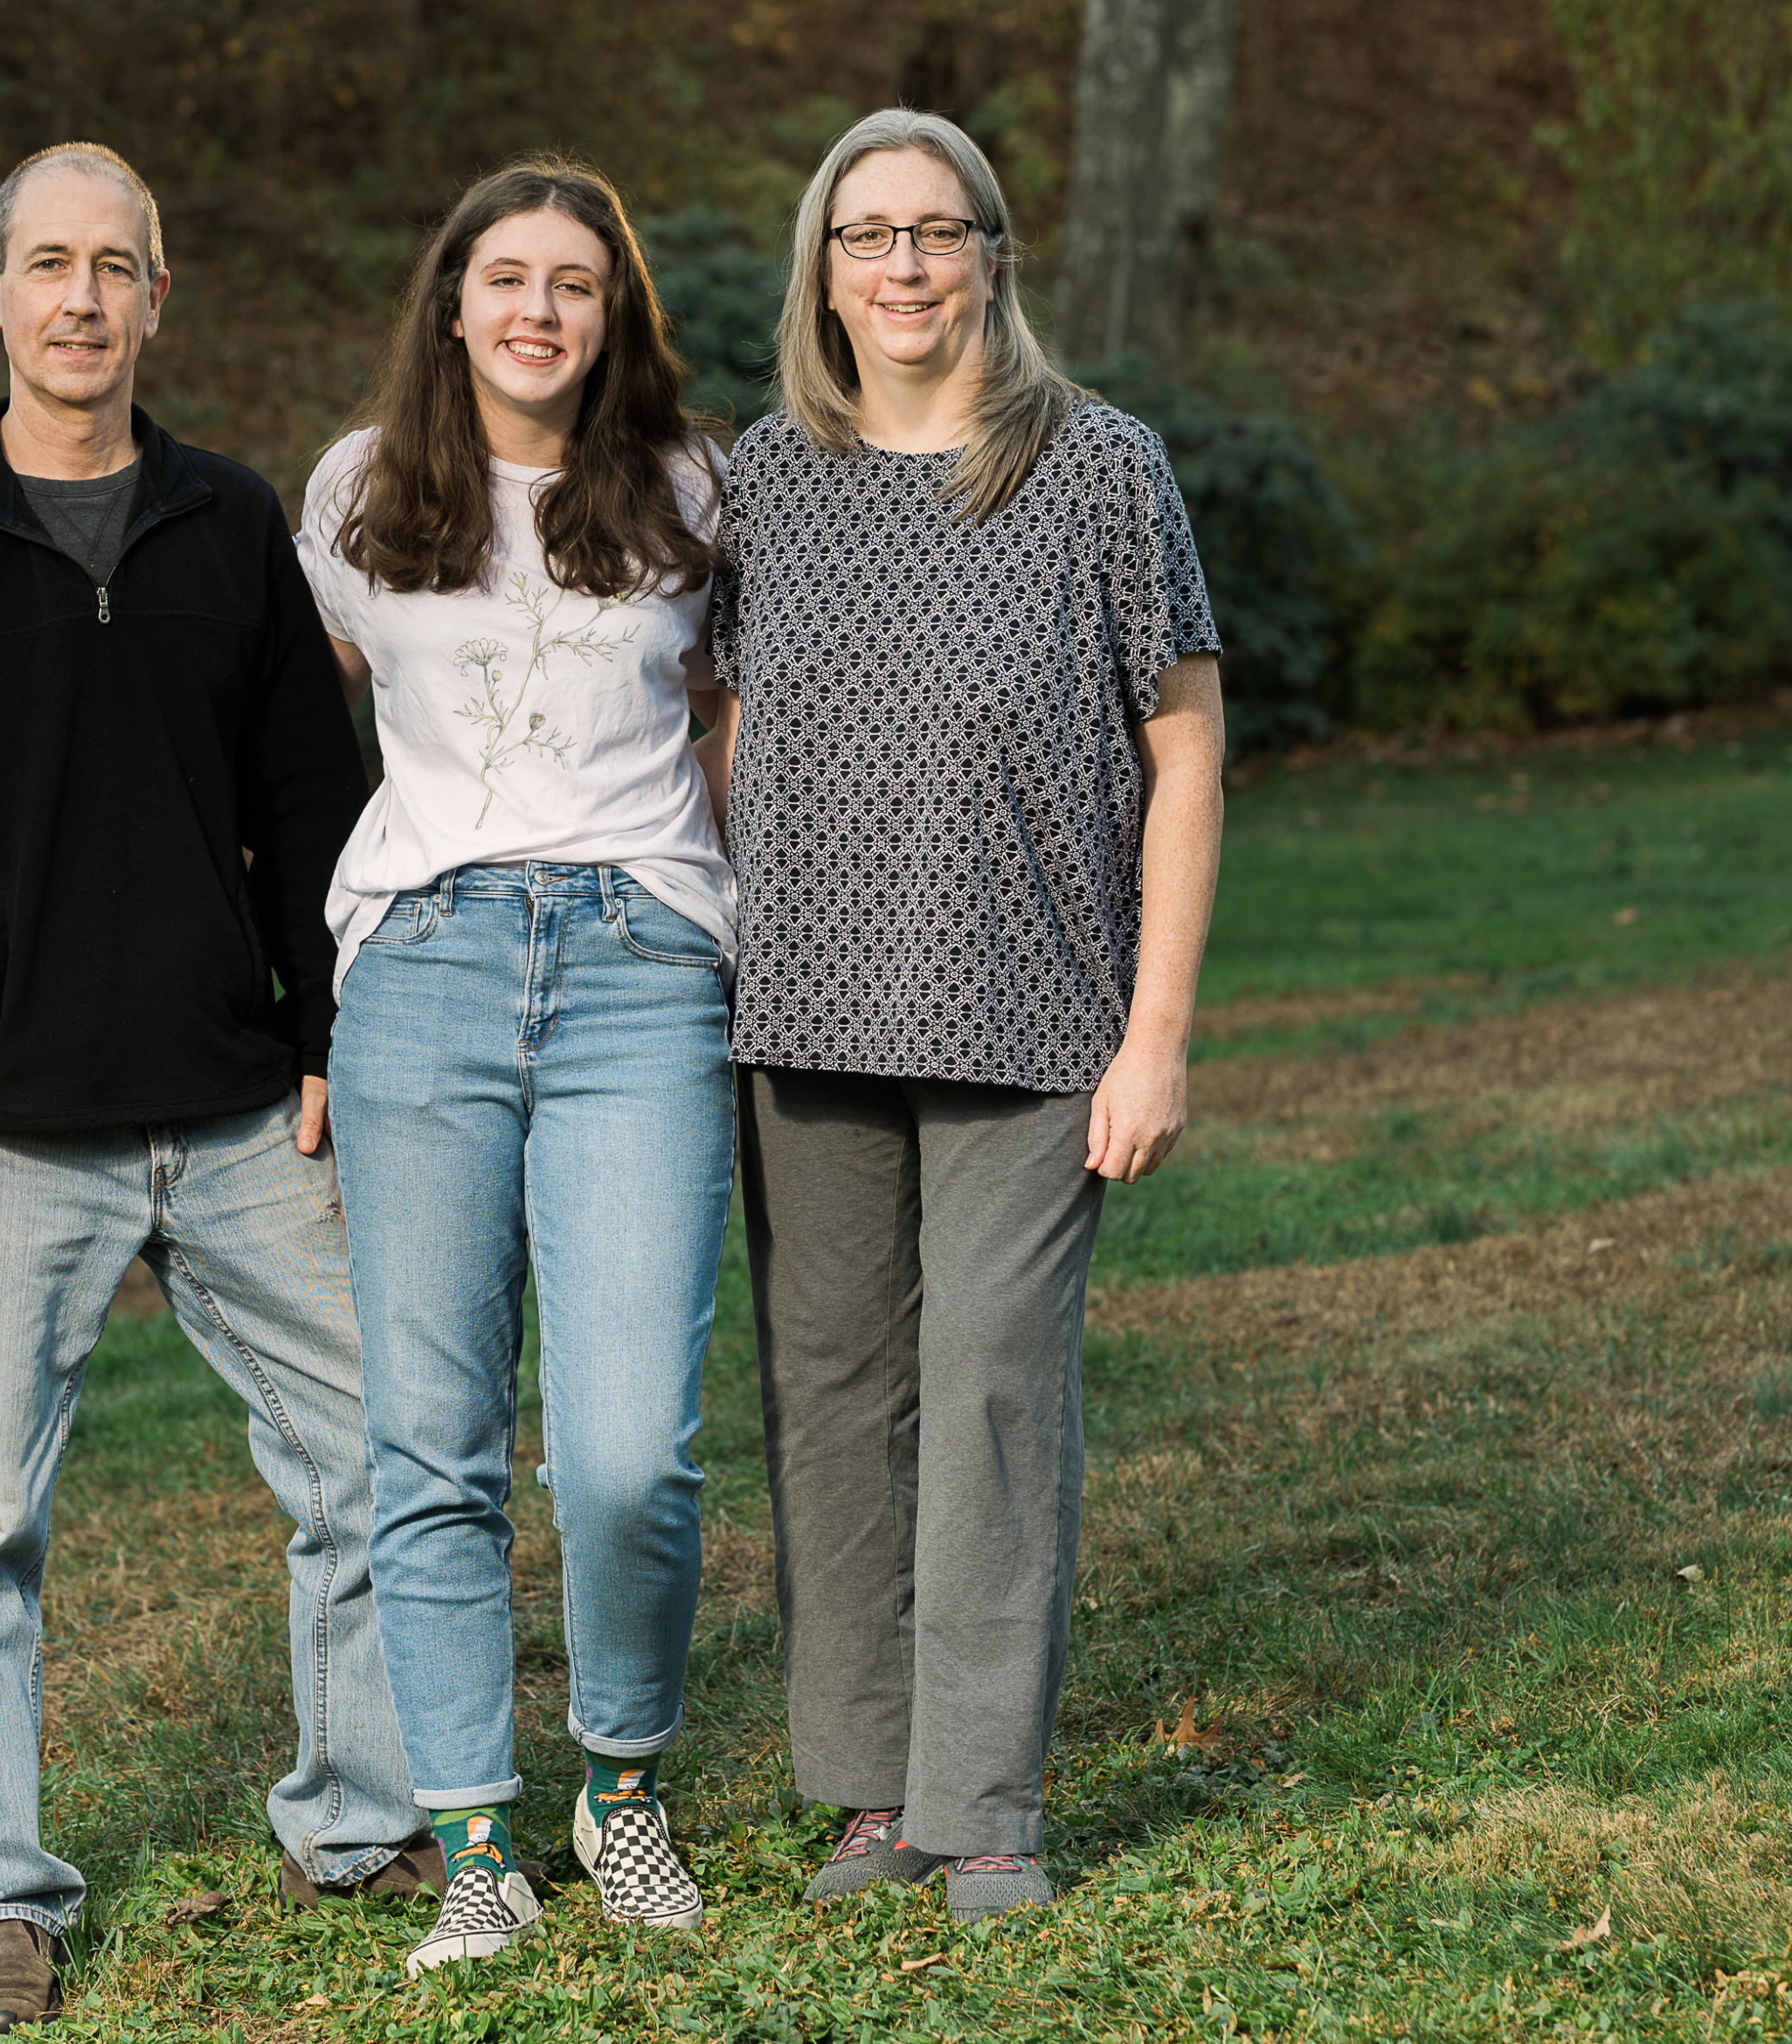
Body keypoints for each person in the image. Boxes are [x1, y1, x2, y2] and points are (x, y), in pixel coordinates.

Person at [0, 141, 432, 2039]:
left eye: (113, 268)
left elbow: (320, 815)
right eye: (44, 265)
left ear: (160, 299)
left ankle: (362, 1815)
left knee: (383, 1456)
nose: (78, 299)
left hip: (238, 1117)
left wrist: (329, 1044)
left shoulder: (229, 527)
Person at [710, 108, 1225, 1923]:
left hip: (1034, 1013)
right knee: (836, 1398)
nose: (906, 267)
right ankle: (871, 1792)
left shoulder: (1095, 468)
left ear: (996, 259)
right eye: (869, 236)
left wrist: (1154, 1028)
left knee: (993, 1385)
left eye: (940, 233)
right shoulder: (765, 478)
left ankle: (982, 1801)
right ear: (822, 269)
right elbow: (728, 732)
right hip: (806, 1014)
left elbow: (1184, 747)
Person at [296, 157, 736, 1976]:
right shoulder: (355, 490)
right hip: (425, 973)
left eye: (577, 282)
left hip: (644, 975)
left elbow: (729, 720)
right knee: (433, 1435)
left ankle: (618, 1792)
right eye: (508, 279)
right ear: (453, 300)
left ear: (611, 310)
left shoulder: (694, 491)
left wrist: (677, 886)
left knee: (628, 1446)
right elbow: (331, 717)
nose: (541, 311)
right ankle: (477, 1835)